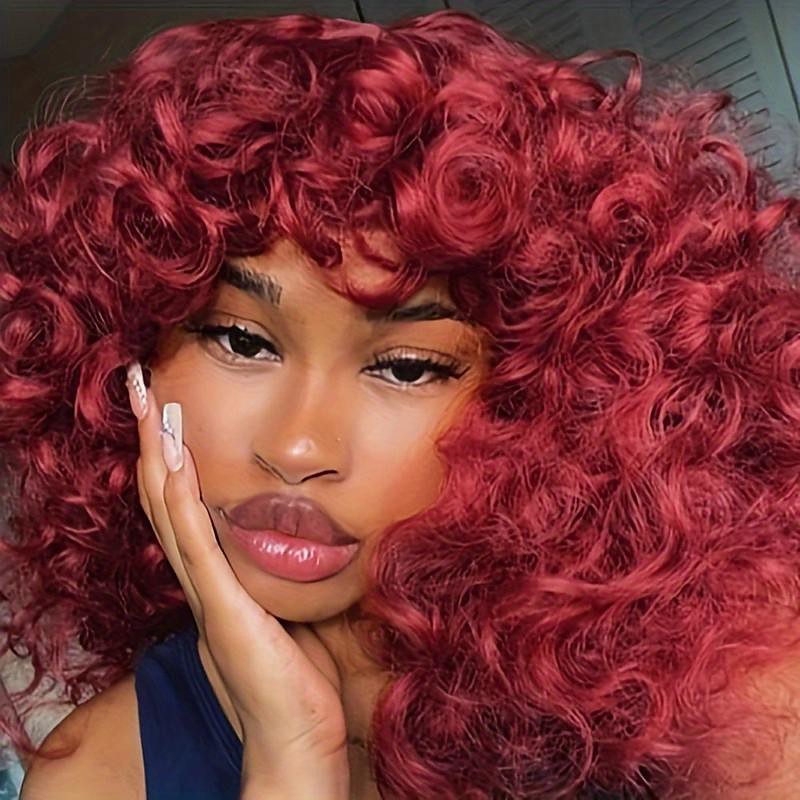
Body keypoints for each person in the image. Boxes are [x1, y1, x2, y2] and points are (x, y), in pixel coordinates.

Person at [0, 7, 799, 799]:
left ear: (546, 402)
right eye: (241, 341)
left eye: (409, 368)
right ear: (127, 355)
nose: (299, 448)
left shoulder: (731, 686)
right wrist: (292, 762)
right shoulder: (98, 771)